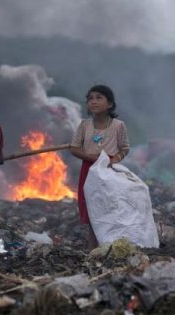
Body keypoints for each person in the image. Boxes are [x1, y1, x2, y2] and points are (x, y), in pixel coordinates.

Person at [70, 85, 130, 249]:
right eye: (90, 98)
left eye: (98, 97)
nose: (93, 101)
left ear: (110, 104)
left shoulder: (118, 126)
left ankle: (110, 246)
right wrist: (92, 158)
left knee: (109, 206)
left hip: (109, 170)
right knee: (92, 209)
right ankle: (93, 249)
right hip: (89, 170)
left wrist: (115, 159)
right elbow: (74, 148)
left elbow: (125, 148)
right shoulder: (84, 125)